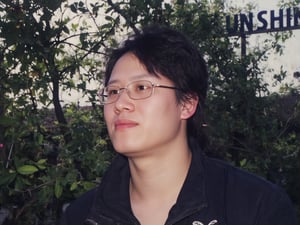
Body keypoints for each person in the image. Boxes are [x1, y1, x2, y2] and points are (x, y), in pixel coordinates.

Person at [60, 25, 298, 225]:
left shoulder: (255, 206)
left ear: (186, 104)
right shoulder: (82, 216)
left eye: (141, 88)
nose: (120, 103)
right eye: (113, 91)